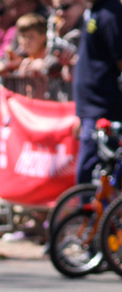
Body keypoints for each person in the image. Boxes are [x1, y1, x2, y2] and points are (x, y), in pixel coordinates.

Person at [72, 0, 122, 184]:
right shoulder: (94, 10)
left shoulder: (110, 13)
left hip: (103, 108)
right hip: (89, 109)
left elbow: (119, 58)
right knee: (91, 173)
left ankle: (94, 213)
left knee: (88, 172)